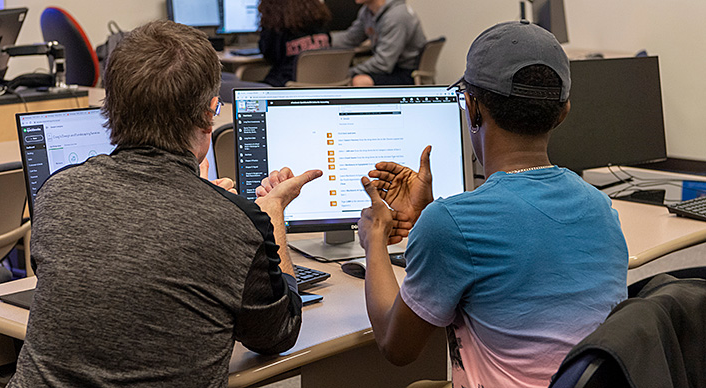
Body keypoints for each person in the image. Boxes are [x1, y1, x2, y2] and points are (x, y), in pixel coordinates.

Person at [8, 20, 321, 387]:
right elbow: (278, 334)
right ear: (208, 115)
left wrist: (198, 199)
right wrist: (270, 216)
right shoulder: (235, 223)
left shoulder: (57, 192)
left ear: (112, 108)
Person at [356, 21, 629, 388]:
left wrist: (375, 235)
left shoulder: (452, 225)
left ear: (471, 107)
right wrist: (431, 220)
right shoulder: (602, 208)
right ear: (563, 112)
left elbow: (395, 347)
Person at [331, 0, 426, 86]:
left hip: (406, 71)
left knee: (359, 81)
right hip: (391, 67)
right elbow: (351, 38)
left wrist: (346, 73)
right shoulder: (367, 11)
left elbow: (383, 64)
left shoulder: (396, 15)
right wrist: (325, 40)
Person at [258, 0, 332, 87]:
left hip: (286, 85)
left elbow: (268, 53)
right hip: (323, 84)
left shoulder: (278, 28)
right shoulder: (320, 22)